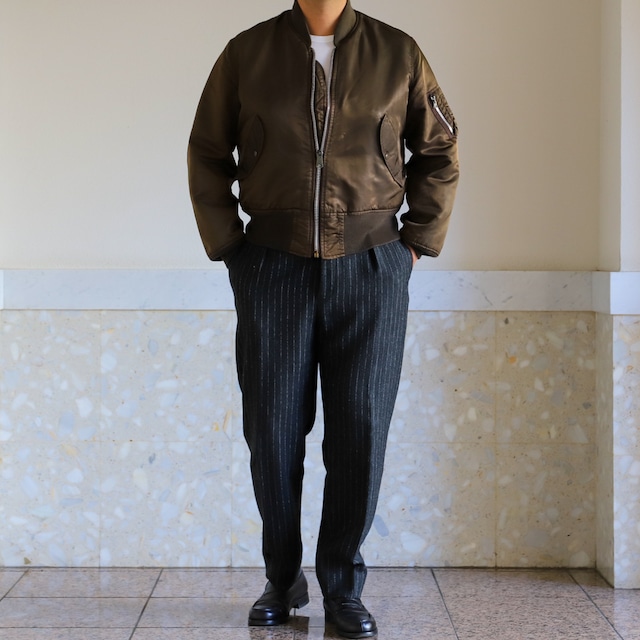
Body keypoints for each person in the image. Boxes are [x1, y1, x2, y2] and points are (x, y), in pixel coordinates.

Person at [188, 0, 459, 636]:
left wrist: (415, 242)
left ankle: (342, 587)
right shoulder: (247, 53)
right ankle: (282, 578)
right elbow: (206, 151)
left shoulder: (398, 53)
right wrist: (231, 247)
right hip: (271, 265)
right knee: (272, 431)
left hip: (371, 265)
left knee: (360, 431)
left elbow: (440, 148)